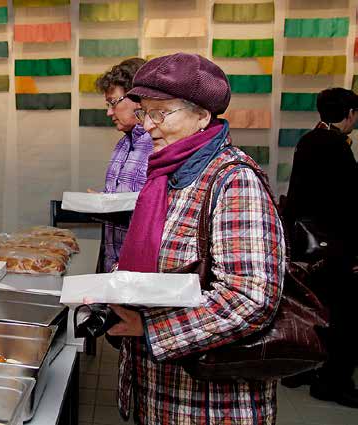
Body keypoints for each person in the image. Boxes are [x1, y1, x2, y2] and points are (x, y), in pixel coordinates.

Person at [105, 53, 286, 423]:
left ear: (202, 116)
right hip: (156, 389)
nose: (149, 126)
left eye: (161, 113)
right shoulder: (166, 175)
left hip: (206, 403)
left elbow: (249, 298)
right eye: (144, 113)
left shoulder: (234, 180)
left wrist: (151, 328)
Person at [281, 88, 358, 407]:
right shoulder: (336, 146)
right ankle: (333, 382)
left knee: (309, 310)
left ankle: (299, 369)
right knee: (346, 317)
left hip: (308, 245)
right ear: (350, 113)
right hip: (333, 247)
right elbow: (348, 206)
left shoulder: (309, 139)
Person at [93, 58, 152, 272]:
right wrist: (100, 203)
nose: (109, 112)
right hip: (113, 265)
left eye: (113, 102)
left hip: (140, 271)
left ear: (138, 99)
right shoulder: (122, 144)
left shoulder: (159, 145)